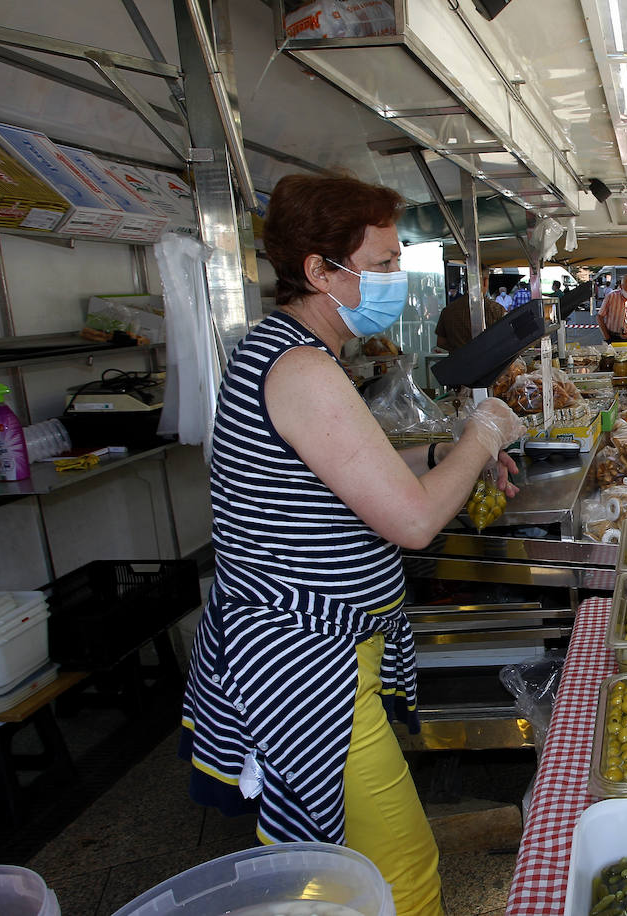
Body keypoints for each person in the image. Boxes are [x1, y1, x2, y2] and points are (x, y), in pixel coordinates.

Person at [179, 174, 525, 916]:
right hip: (305, 660)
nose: (397, 280)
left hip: (335, 648)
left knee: (353, 860)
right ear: (319, 270)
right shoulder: (300, 368)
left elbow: (356, 478)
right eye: (384, 263)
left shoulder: (301, 354)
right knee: (400, 867)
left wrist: (442, 460)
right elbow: (411, 522)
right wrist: (482, 433)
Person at [434, 265, 503, 352]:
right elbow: (505, 341)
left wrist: (459, 350)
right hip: (490, 364)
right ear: (485, 282)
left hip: (457, 363)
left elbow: (441, 342)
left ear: (465, 283)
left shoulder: (448, 311)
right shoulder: (497, 310)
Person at [597, 273, 627, 344]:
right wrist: (607, 337)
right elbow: (600, 317)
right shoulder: (611, 296)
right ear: (621, 286)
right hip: (612, 337)